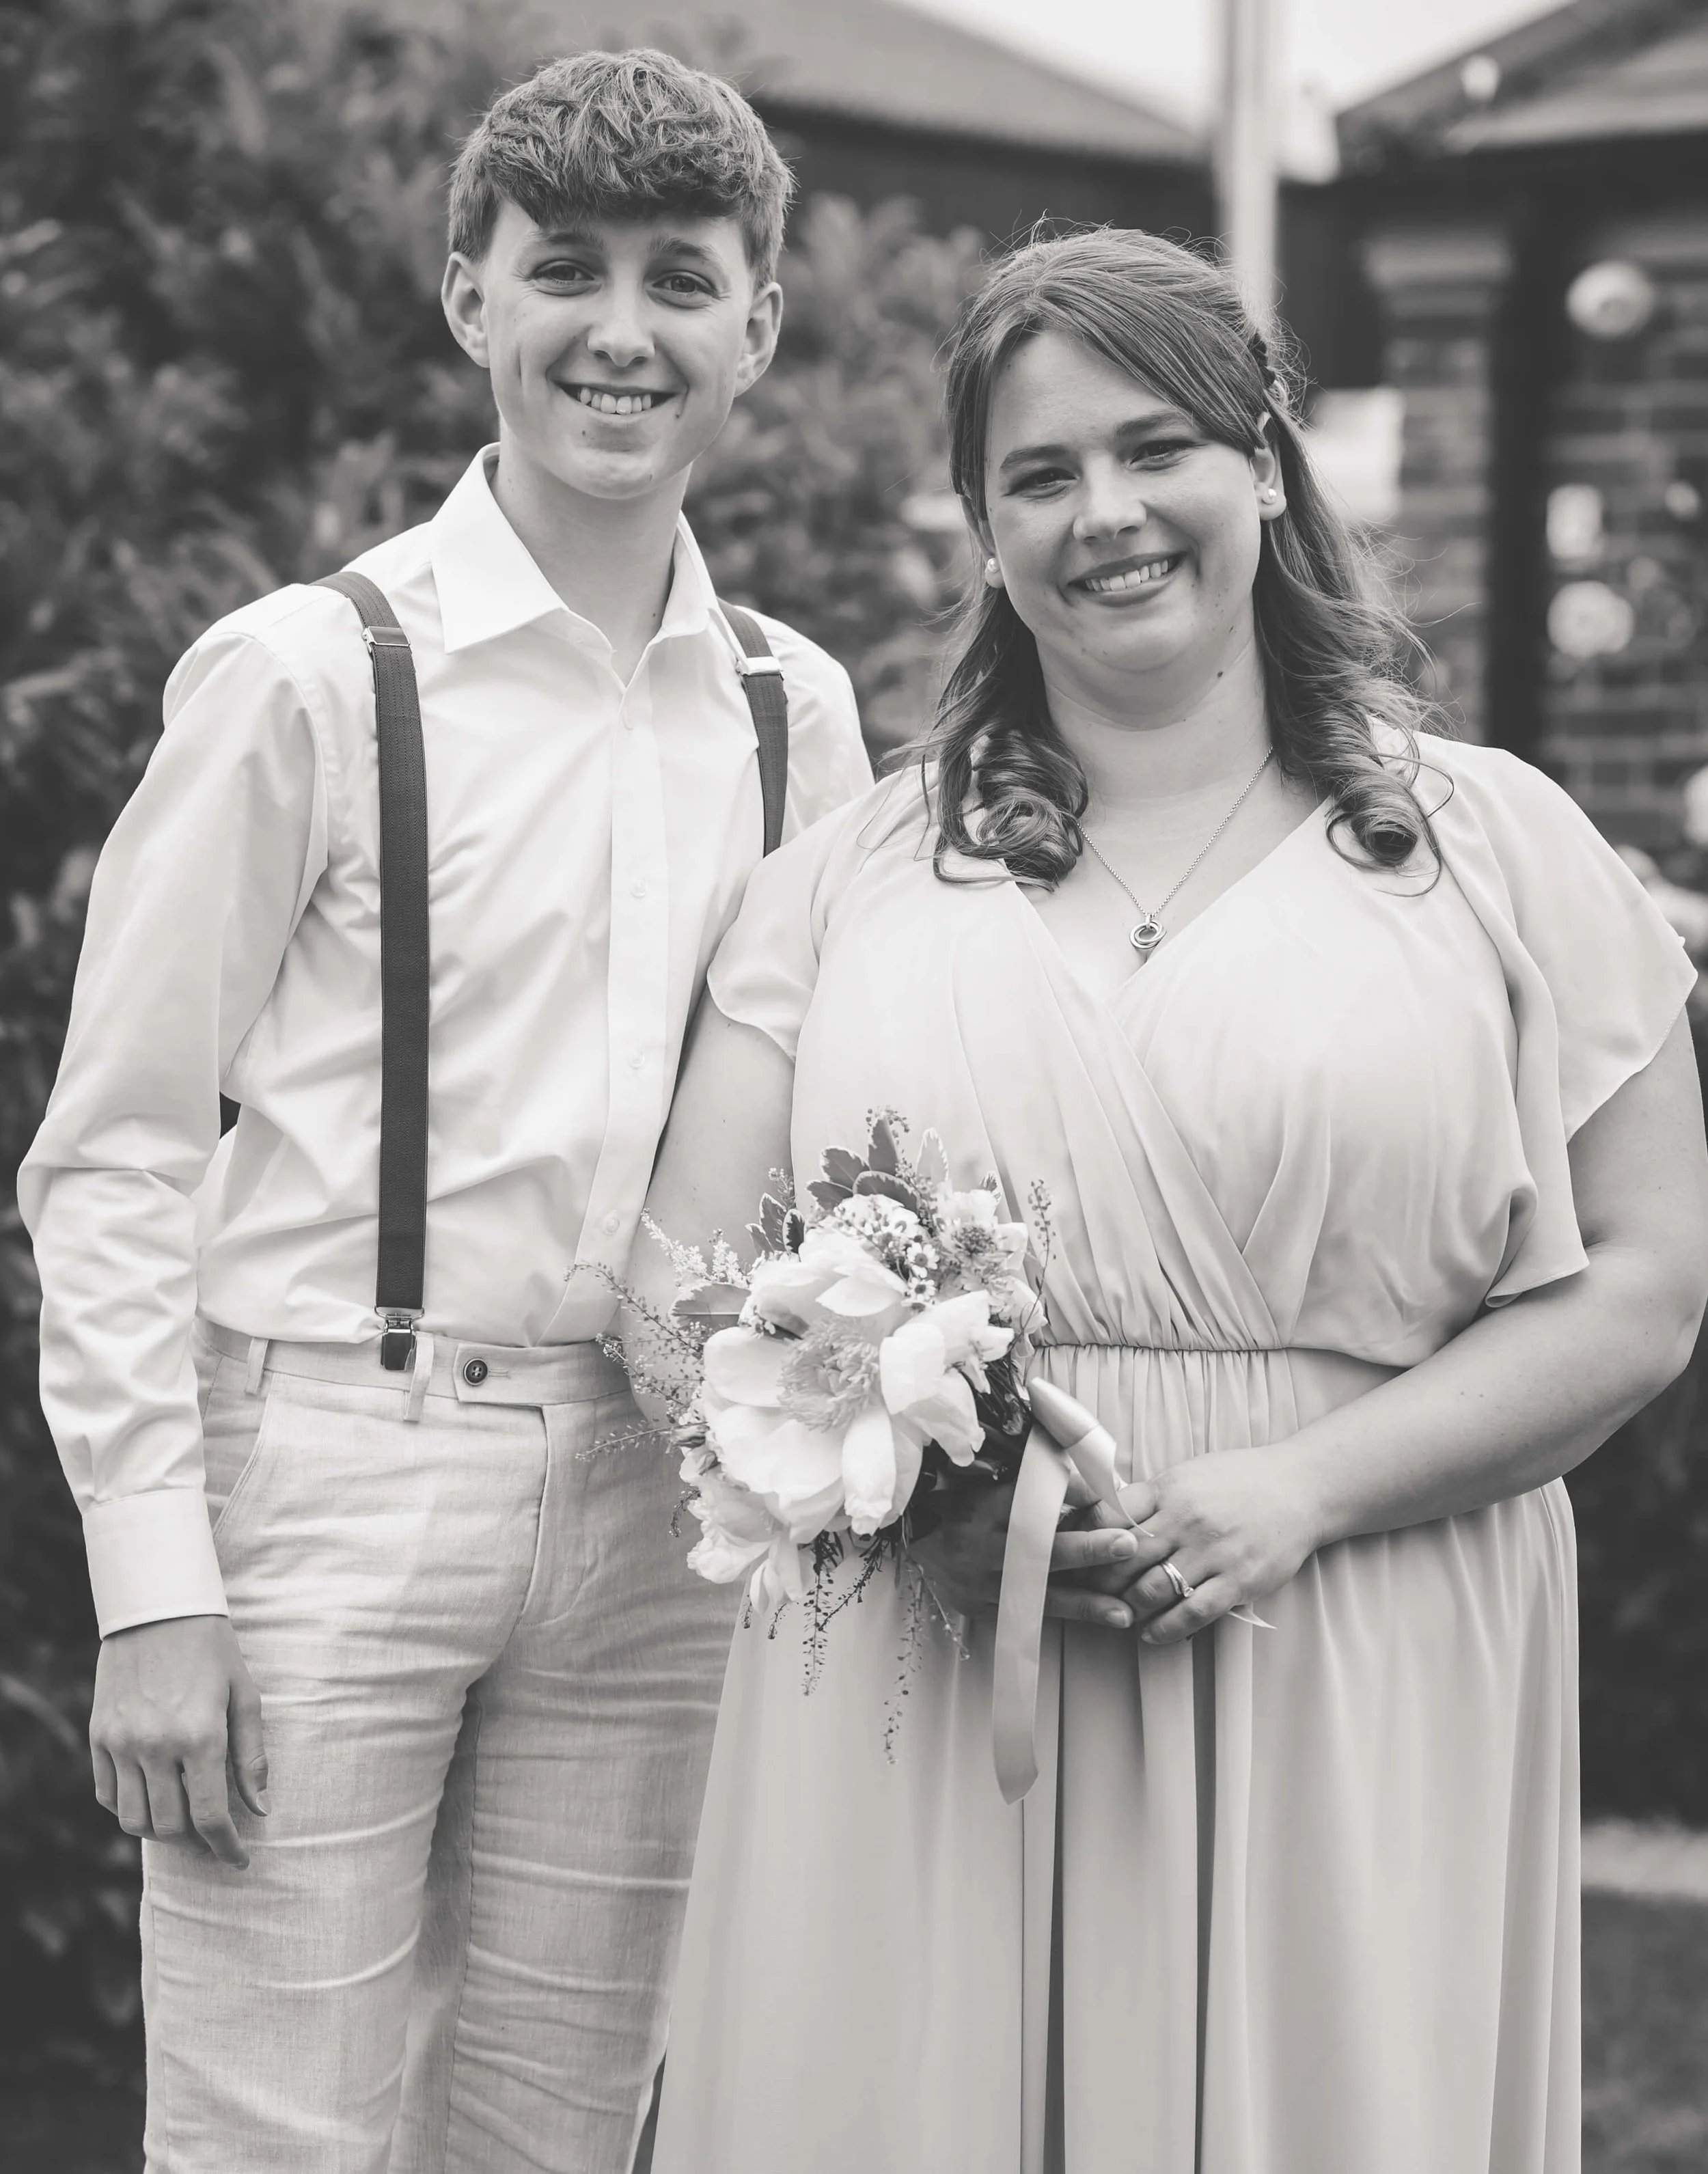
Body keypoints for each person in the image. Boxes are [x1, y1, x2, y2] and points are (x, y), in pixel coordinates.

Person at [635, 229, 1708, 2174]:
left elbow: (1639, 1283)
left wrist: (1302, 1488)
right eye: (1036, 476)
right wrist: (922, 1514)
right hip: (937, 1668)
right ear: (978, 527)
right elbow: (685, 1297)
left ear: (1267, 466)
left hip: (1361, 1644)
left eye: (1156, 449)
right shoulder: (846, 877)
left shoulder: (1496, 851)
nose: (1103, 514)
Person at [18, 49, 868, 2174]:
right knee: (268, 2143)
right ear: (465, 297)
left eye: (684, 281)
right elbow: (117, 1144)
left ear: (756, 327)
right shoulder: (310, 673)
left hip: (659, 1512)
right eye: (560, 269)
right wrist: (154, 1583)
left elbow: (829, 1135)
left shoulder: (796, 707)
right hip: (326, 1464)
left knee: (565, 2135)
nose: (621, 329)